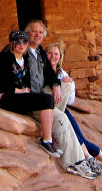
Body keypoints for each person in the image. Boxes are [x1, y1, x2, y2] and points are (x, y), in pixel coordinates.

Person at [24, 20, 97, 180]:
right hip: (31, 99)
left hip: (42, 96)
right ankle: (74, 162)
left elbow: (49, 74)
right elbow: (7, 64)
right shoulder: (22, 49)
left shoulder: (39, 52)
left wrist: (56, 85)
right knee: (62, 119)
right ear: (27, 33)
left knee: (67, 85)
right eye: (34, 31)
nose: (37, 35)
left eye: (40, 32)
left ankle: (53, 113)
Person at [46, 42, 102, 174]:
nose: (52, 56)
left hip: (62, 109)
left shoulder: (62, 73)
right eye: (49, 53)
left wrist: (69, 85)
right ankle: (89, 157)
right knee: (73, 135)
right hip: (50, 109)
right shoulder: (42, 70)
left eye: (56, 54)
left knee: (80, 136)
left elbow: (71, 100)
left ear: (60, 56)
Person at [0, 30, 61, 157]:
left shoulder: (24, 59)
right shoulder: (5, 58)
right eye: (18, 42)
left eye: (25, 42)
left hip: (20, 96)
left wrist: (56, 83)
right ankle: (46, 141)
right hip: (7, 97)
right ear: (12, 43)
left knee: (48, 100)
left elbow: (36, 76)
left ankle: (48, 140)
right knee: (46, 100)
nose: (22, 45)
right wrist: (17, 90)